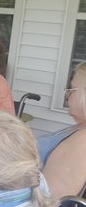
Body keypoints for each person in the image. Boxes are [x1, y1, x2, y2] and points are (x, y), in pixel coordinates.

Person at [38, 62, 86, 198]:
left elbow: (48, 198)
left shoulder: (82, 142)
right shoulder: (79, 129)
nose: (67, 97)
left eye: (70, 90)